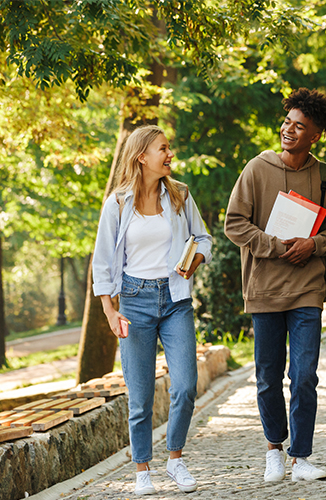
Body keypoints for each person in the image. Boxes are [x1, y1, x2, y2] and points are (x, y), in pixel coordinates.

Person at [224, 88, 326, 482]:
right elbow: (235, 223)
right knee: (268, 375)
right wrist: (275, 247)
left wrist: (313, 244)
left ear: (315, 135)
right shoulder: (256, 169)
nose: (289, 130)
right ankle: (274, 447)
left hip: (308, 289)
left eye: (299, 126)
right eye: (287, 122)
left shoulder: (325, 175)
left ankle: (301, 457)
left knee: (305, 374)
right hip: (264, 289)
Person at [92, 124, 212, 495]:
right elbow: (102, 262)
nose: (170, 154)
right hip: (133, 301)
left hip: (175, 300)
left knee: (187, 385)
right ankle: (142, 468)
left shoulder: (179, 195)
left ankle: (175, 460)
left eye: (169, 148)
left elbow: (204, 237)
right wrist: (110, 311)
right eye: (163, 149)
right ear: (142, 155)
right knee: (140, 395)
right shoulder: (117, 203)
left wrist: (194, 262)